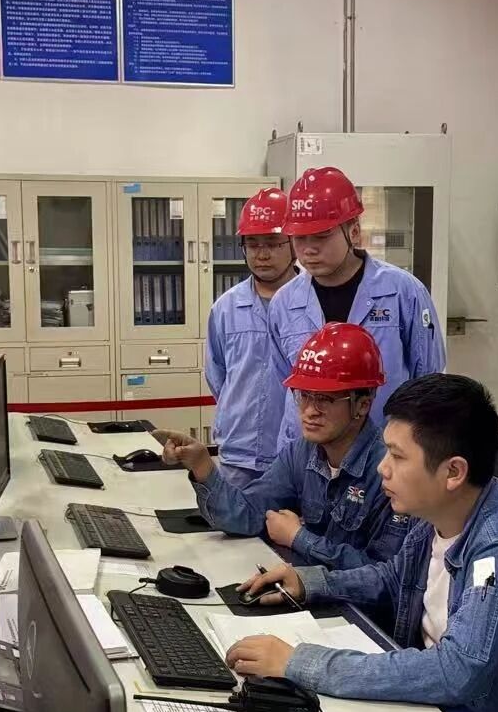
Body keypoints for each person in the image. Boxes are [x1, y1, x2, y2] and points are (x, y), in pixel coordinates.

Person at [222, 374, 498, 712]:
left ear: (453, 472)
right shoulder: (438, 511)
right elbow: (393, 577)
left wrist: (302, 663)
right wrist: (311, 583)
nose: (382, 468)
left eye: (398, 456)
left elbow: (456, 670)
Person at [157, 323, 405, 570]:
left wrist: (299, 538)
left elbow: (387, 576)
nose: (309, 411)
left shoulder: (389, 471)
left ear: (362, 405)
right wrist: (202, 465)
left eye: (325, 399)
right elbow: (245, 515)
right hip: (306, 584)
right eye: (304, 395)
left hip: (339, 594)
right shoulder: (300, 453)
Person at [267, 166, 444, 449]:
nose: (309, 249)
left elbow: (428, 382)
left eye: (321, 235)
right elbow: (282, 385)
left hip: (383, 453)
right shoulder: (284, 303)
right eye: (299, 237)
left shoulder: (403, 292)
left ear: (354, 232)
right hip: (306, 453)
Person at [203, 188, 298, 487]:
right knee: (232, 517)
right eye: (253, 244)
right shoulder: (226, 307)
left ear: (294, 242)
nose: (262, 254)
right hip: (238, 455)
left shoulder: (312, 303)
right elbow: (218, 377)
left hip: (295, 455)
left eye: (273, 243)